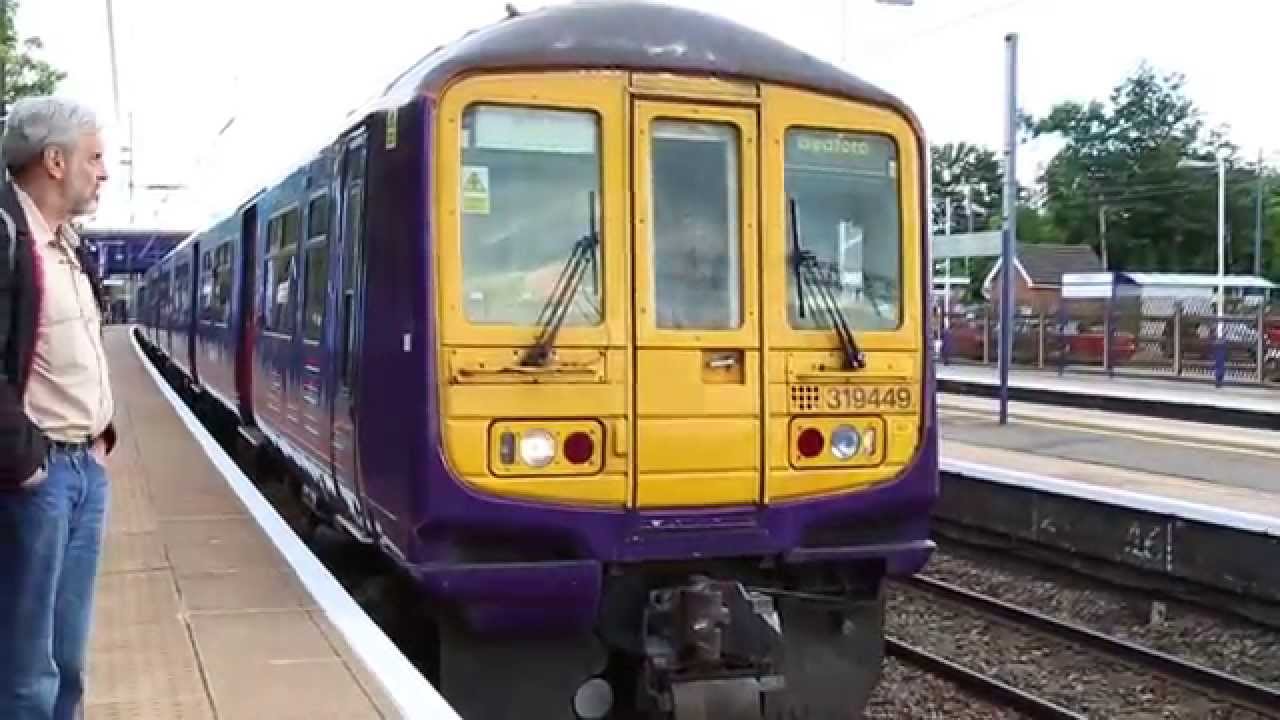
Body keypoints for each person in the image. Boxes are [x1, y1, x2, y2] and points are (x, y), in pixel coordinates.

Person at [0, 96, 117, 720]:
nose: (103, 172)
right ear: (54, 161)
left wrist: (101, 435)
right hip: (33, 480)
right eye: (94, 158)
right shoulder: (7, 238)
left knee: (67, 660)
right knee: (25, 668)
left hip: (82, 471)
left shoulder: (67, 245)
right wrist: (24, 463)